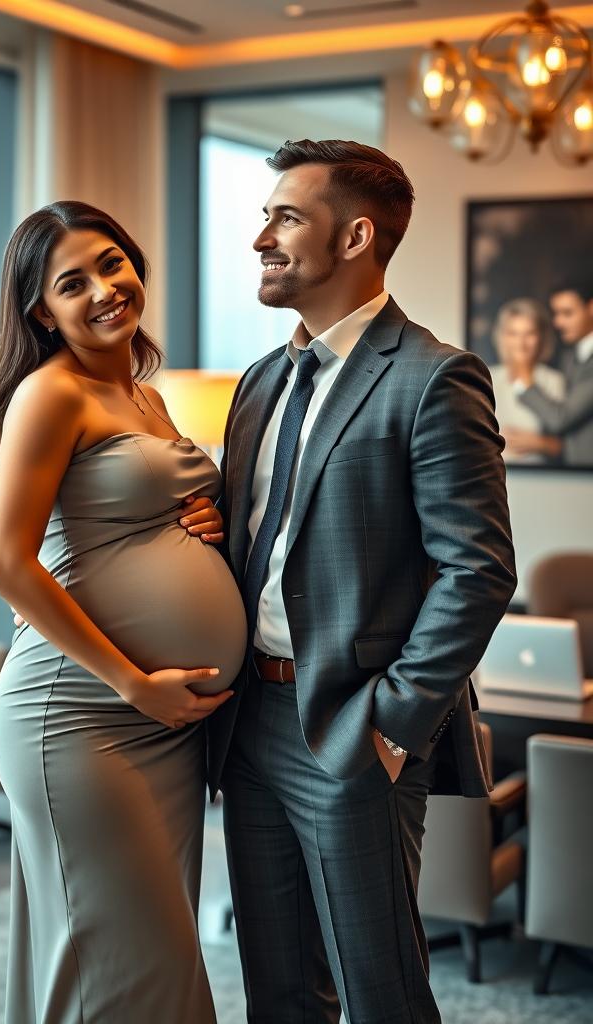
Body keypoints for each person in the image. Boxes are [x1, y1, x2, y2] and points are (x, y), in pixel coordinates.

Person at [209, 140, 516, 1024]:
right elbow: (260, 542)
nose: (260, 236)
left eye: (285, 217)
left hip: (353, 731)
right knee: (276, 993)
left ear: (355, 237)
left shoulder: (434, 377)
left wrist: (390, 724)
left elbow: (479, 568)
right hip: (251, 724)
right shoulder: (261, 382)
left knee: (381, 994)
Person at [0, 200, 247, 1023]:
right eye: (73, 282)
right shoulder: (49, 395)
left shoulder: (146, 397)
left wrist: (209, 522)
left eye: (112, 263)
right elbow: (3, 566)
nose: (104, 289)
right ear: (42, 311)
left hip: (161, 731)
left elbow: (129, 518)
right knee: (122, 969)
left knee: (143, 959)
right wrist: (135, 683)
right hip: (84, 717)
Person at [516, 280, 593, 467]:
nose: (557, 322)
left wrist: (525, 379)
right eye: (556, 314)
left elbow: (561, 418)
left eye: (567, 313)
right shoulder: (570, 356)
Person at [486, 297, 564, 464]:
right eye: (513, 333)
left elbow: (569, 445)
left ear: (541, 338)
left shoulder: (555, 381)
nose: (521, 343)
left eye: (530, 333)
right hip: (492, 476)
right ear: (501, 337)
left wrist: (540, 444)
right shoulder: (487, 376)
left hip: (542, 476)